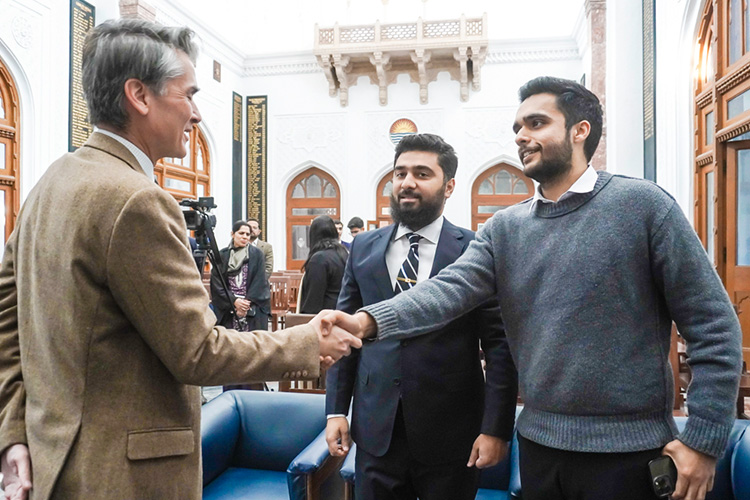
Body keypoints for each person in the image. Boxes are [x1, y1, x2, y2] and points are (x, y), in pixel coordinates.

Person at [328, 77, 743, 500]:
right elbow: (446, 290)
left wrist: (703, 440)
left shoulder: (644, 207)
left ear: (580, 130)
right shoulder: (505, 228)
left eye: (536, 123)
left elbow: (713, 327)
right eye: (517, 128)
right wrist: (366, 321)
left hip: (628, 452)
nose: (521, 136)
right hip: (540, 449)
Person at [0, 19, 360, 500]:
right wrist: (307, 341)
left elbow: (7, 315)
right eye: (188, 94)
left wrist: (13, 432)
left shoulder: (51, 181)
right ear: (139, 96)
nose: (195, 113)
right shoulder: (138, 200)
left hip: (53, 462)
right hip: (119, 477)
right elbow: (199, 351)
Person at [325, 134, 517, 500]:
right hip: (376, 428)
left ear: (449, 186)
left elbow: (499, 345)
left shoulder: (475, 250)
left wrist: (495, 428)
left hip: (451, 431)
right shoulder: (363, 248)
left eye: (422, 174)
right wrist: (335, 411)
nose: (407, 182)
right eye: (400, 173)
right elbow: (344, 336)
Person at [210, 220, 270, 332]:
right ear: (232, 234)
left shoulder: (257, 254)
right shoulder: (222, 255)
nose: (245, 237)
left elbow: (260, 281)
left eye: (247, 234)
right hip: (228, 305)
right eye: (241, 233)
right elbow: (217, 283)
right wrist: (234, 301)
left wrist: (245, 304)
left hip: (251, 305)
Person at [298, 215, 348, 314]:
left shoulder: (319, 259)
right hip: (343, 312)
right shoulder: (343, 253)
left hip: (325, 316)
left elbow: (313, 298)